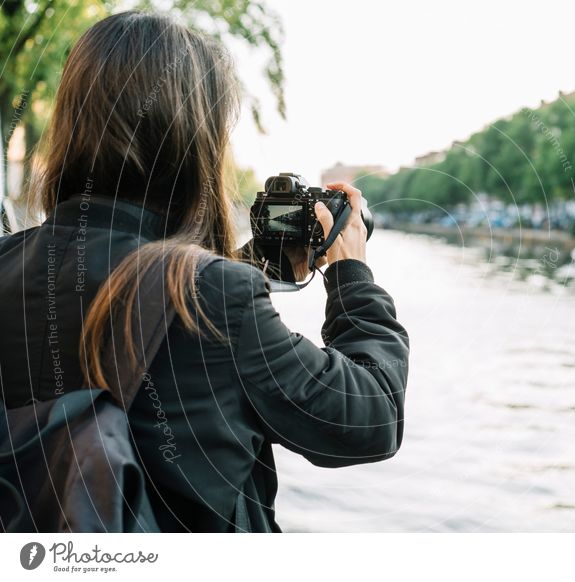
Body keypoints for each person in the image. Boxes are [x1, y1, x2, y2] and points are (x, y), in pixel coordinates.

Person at [0, 12, 409, 532]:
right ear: (195, 144)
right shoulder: (215, 296)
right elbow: (370, 417)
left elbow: (127, 292)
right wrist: (350, 275)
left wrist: (248, 264)